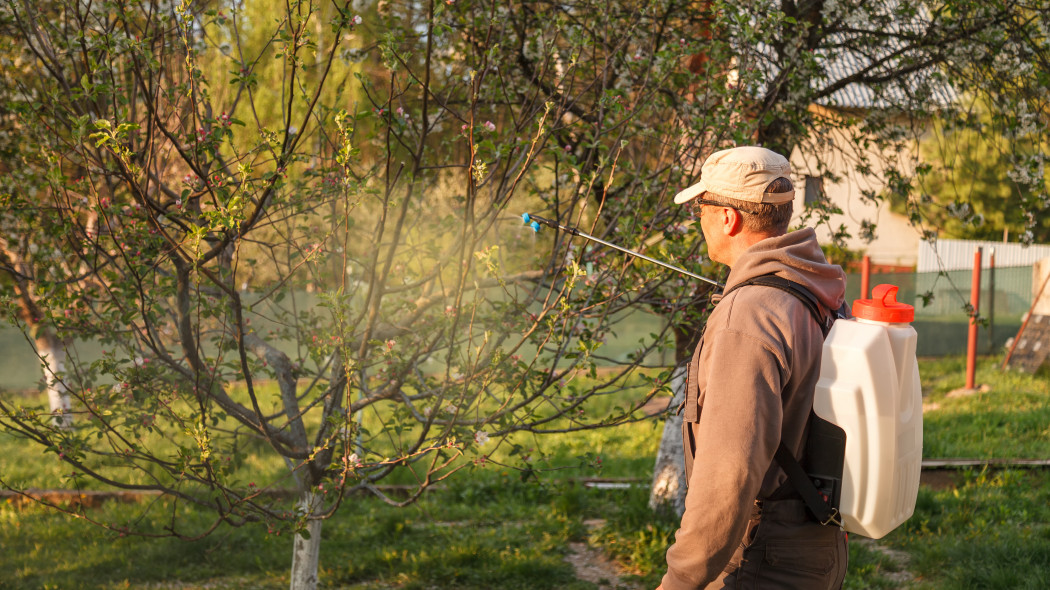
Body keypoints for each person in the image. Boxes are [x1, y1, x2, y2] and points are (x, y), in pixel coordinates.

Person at [657, 146, 849, 590]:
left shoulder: (749, 316)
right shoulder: (813, 288)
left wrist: (680, 581)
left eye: (701, 208)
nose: (698, 219)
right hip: (817, 545)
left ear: (728, 218)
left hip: (762, 559)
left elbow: (729, 477)